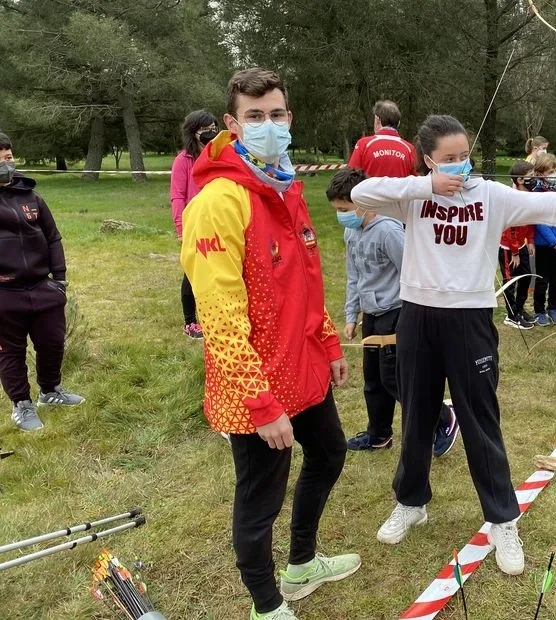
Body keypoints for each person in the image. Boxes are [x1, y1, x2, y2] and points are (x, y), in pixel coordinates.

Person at [350, 114, 556, 576]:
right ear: (428, 160)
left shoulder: (492, 196)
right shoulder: (415, 196)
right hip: (418, 315)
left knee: (481, 418)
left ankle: (502, 518)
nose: (459, 166)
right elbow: (361, 194)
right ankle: (411, 501)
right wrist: (426, 186)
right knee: (417, 412)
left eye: (464, 157)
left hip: (470, 319)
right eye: (448, 160)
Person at [180, 68, 360, 620]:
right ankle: (266, 604)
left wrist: (329, 342)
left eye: (276, 114)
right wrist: (260, 403)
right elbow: (221, 316)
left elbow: (307, 280)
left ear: (289, 118)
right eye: (255, 117)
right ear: (232, 125)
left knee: (330, 452)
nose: (268, 125)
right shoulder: (219, 201)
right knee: (260, 501)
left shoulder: (284, 187)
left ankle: (302, 563)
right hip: (254, 387)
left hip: (302, 366)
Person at [326, 168, 460, 456]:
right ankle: (379, 434)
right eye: (337, 210)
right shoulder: (352, 231)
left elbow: (412, 271)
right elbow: (354, 275)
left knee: (396, 378)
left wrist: (415, 316)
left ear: (365, 202)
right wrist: (352, 315)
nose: (341, 215)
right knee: (373, 378)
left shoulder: (388, 231)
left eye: (344, 209)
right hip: (372, 315)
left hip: (396, 312)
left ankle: (443, 419)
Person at [0, 131, 85, 432]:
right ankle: (21, 405)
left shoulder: (32, 197)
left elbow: (52, 237)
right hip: (5, 294)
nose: (5, 164)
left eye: (8, 157)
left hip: (43, 288)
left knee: (52, 343)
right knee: (11, 352)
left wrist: (59, 280)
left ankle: (50, 391)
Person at [170, 110, 218, 339]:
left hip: (219, 220)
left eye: (213, 127)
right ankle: (190, 322)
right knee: (192, 273)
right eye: (205, 129)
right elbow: (177, 196)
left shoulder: (219, 155)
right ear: (193, 132)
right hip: (194, 223)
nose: (211, 132)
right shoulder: (183, 160)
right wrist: (181, 228)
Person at [528, 154, 556, 326]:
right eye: (550, 171)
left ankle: (553, 307)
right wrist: (552, 242)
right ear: (539, 173)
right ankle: (539, 310)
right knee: (542, 279)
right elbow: (539, 221)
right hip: (545, 244)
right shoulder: (536, 194)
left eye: (555, 170)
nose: (554, 173)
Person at [499, 161, 537, 329]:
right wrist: (514, 251)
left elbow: (529, 221)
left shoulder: (529, 194)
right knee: (510, 281)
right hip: (508, 249)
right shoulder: (512, 198)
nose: (534, 179)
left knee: (526, 277)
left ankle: (519, 309)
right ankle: (511, 315)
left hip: (521, 245)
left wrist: (530, 241)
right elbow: (510, 228)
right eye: (531, 176)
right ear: (520, 179)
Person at [347, 100, 416, 178]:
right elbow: (416, 181)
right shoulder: (409, 149)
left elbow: (351, 176)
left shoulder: (363, 144)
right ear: (399, 123)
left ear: (377, 120)